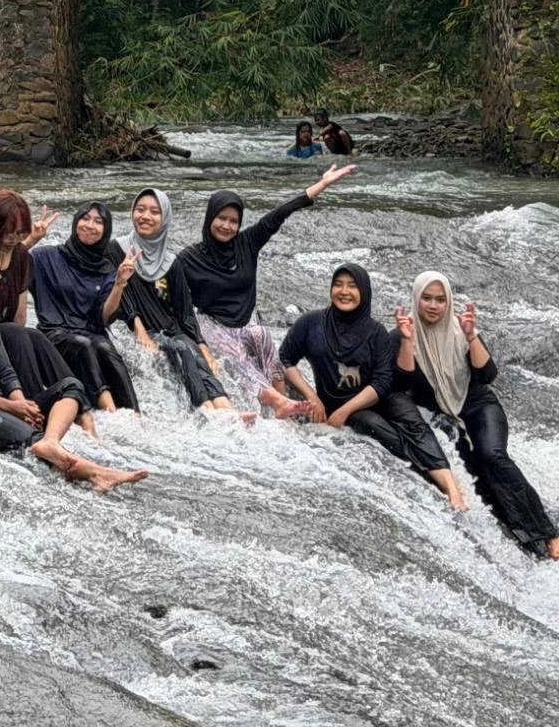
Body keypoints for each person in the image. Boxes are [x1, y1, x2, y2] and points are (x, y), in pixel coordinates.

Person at [0, 254, 147, 491]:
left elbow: (6, 373)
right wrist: (11, 407)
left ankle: (51, 440)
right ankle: (98, 474)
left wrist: (23, 405)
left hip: (6, 404)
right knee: (32, 438)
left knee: (71, 386)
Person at [393, 271, 559, 558]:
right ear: (416, 299)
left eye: (440, 300)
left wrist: (471, 337)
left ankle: (548, 532)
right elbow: (402, 383)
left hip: (479, 406)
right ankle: (523, 537)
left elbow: (488, 374)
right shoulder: (401, 334)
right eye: (427, 298)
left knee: (492, 455)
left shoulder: (461, 329)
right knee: (475, 473)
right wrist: (407, 341)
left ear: (448, 302)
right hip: (444, 417)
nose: (433, 305)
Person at [279, 263, 466, 509]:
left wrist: (343, 411)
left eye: (352, 286)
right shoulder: (311, 323)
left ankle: (452, 487)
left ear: (364, 292)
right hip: (347, 406)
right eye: (338, 285)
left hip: (379, 397)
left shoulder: (376, 332)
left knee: (413, 423)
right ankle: (429, 476)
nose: (344, 292)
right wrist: (311, 396)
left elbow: (383, 381)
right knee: (373, 425)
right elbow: (284, 359)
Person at [168, 166, 354, 413]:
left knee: (262, 335)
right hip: (212, 325)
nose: (226, 226)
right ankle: (277, 402)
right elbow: (168, 292)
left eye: (233, 221)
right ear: (210, 217)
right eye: (221, 218)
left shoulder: (247, 242)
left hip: (246, 322)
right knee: (236, 355)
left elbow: (280, 213)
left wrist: (321, 185)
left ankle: (283, 404)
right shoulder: (188, 258)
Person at [0, 190, 93, 425]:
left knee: (34, 335)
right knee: (14, 333)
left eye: (20, 233)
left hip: (2, 340)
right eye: (9, 232)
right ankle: (35, 411)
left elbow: (19, 318)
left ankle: (80, 409)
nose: (14, 238)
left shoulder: (21, 256)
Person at [112, 190, 232, 413]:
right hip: (143, 330)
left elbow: (185, 312)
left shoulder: (170, 262)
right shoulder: (117, 249)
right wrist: (140, 331)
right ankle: (205, 406)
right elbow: (122, 298)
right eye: (140, 210)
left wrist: (203, 345)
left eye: (154, 212)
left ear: (164, 218)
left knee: (194, 352)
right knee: (182, 349)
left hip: (170, 328)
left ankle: (225, 406)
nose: (145, 216)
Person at [29, 204, 140, 412]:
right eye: (85, 218)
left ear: (105, 231)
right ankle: (109, 408)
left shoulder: (107, 269)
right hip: (54, 333)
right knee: (83, 344)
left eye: (98, 222)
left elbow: (104, 318)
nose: (90, 225)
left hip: (91, 332)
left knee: (105, 347)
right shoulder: (45, 257)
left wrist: (119, 284)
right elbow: (12, 264)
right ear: (76, 222)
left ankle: (134, 413)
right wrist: (31, 239)